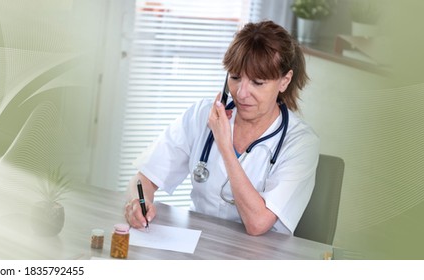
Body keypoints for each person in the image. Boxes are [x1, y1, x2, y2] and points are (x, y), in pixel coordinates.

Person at [123, 20, 319, 236]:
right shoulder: (202, 114)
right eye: (235, 77)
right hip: (200, 245)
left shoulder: (301, 143)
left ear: (284, 81)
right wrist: (137, 203)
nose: (241, 93)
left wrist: (225, 146)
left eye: (258, 82)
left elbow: (258, 224)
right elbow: (145, 178)